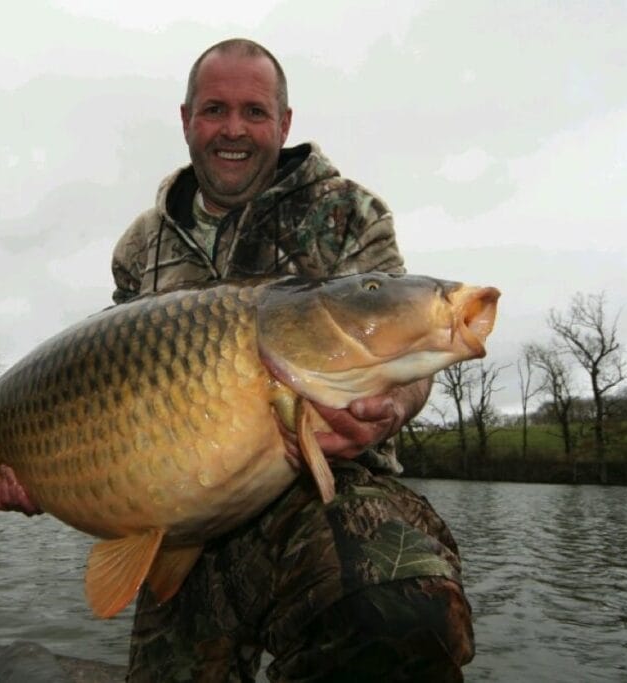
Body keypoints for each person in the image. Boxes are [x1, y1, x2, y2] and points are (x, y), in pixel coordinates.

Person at [109, 38, 474, 681]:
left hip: (324, 492)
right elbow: (112, 389)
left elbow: (404, 350)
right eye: (214, 109)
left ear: (284, 123)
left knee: (398, 613)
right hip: (180, 513)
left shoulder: (348, 214)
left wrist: (390, 407)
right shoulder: (142, 243)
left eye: (254, 112)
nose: (233, 130)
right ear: (187, 118)